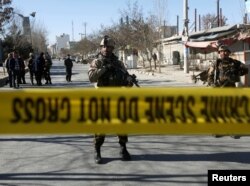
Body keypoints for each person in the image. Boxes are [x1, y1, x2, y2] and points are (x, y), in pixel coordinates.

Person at [88, 35, 134, 164]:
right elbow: (91, 78)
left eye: (108, 47)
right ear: (101, 48)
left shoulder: (118, 63)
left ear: (112, 48)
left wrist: (129, 81)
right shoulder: (97, 62)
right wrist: (104, 69)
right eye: (103, 46)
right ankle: (97, 150)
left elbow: (125, 80)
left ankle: (123, 148)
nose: (106, 49)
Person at [207, 45, 249, 139]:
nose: (224, 53)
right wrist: (213, 85)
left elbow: (246, 69)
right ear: (219, 53)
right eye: (222, 51)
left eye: (226, 51)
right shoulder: (216, 64)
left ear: (229, 53)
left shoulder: (234, 63)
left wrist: (236, 74)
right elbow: (209, 77)